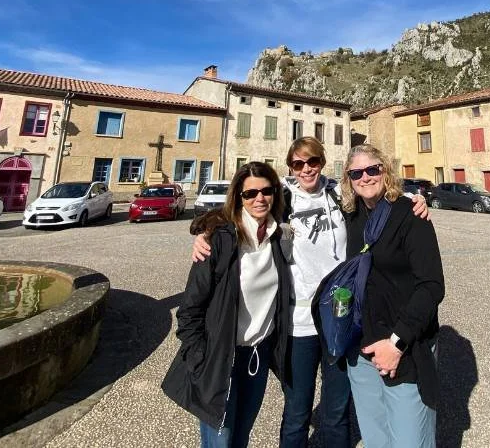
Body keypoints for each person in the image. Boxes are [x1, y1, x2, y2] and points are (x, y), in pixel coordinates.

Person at [191, 136, 429, 448]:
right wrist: (203, 232)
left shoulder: (339, 196)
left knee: (336, 409)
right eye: (298, 164)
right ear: (290, 167)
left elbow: (378, 197)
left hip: (339, 320)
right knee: (296, 411)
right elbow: (240, 209)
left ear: (322, 162)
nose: (306, 169)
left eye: (313, 162)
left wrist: (414, 198)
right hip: (298, 323)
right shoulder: (282, 199)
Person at [162, 161, 291, 448]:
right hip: (220, 357)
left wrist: (413, 199)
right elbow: (190, 309)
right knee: (220, 440)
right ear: (239, 197)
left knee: (242, 434)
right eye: (250, 193)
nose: (260, 198)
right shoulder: (219, 240)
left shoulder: (278, 238)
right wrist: (200, 358)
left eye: (267, 191)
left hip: (256, 357)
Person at [341, 144, 444, 448]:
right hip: (362, 350)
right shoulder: (351, 216)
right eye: (356, 172)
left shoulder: (410, 214)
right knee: (376, 439)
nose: (365, 177)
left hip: (403, 348)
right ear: (348, 179)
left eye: (373, 169)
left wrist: (397, 343)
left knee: (410, 439)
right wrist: (206, 230)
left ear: (385, 172)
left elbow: (432, 285)